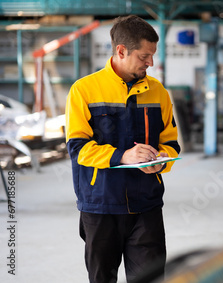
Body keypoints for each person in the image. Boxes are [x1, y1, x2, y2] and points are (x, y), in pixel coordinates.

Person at [65, 15, 180, 283]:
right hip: (101, 205)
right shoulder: (84, 91)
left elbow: (171, 143)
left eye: (152, 55)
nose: (150, 62)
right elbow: (78, 148)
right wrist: (123, 156)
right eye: (144, 56)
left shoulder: (159, 92)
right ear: (121, 51)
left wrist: (163, 159)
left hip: (146, 204)